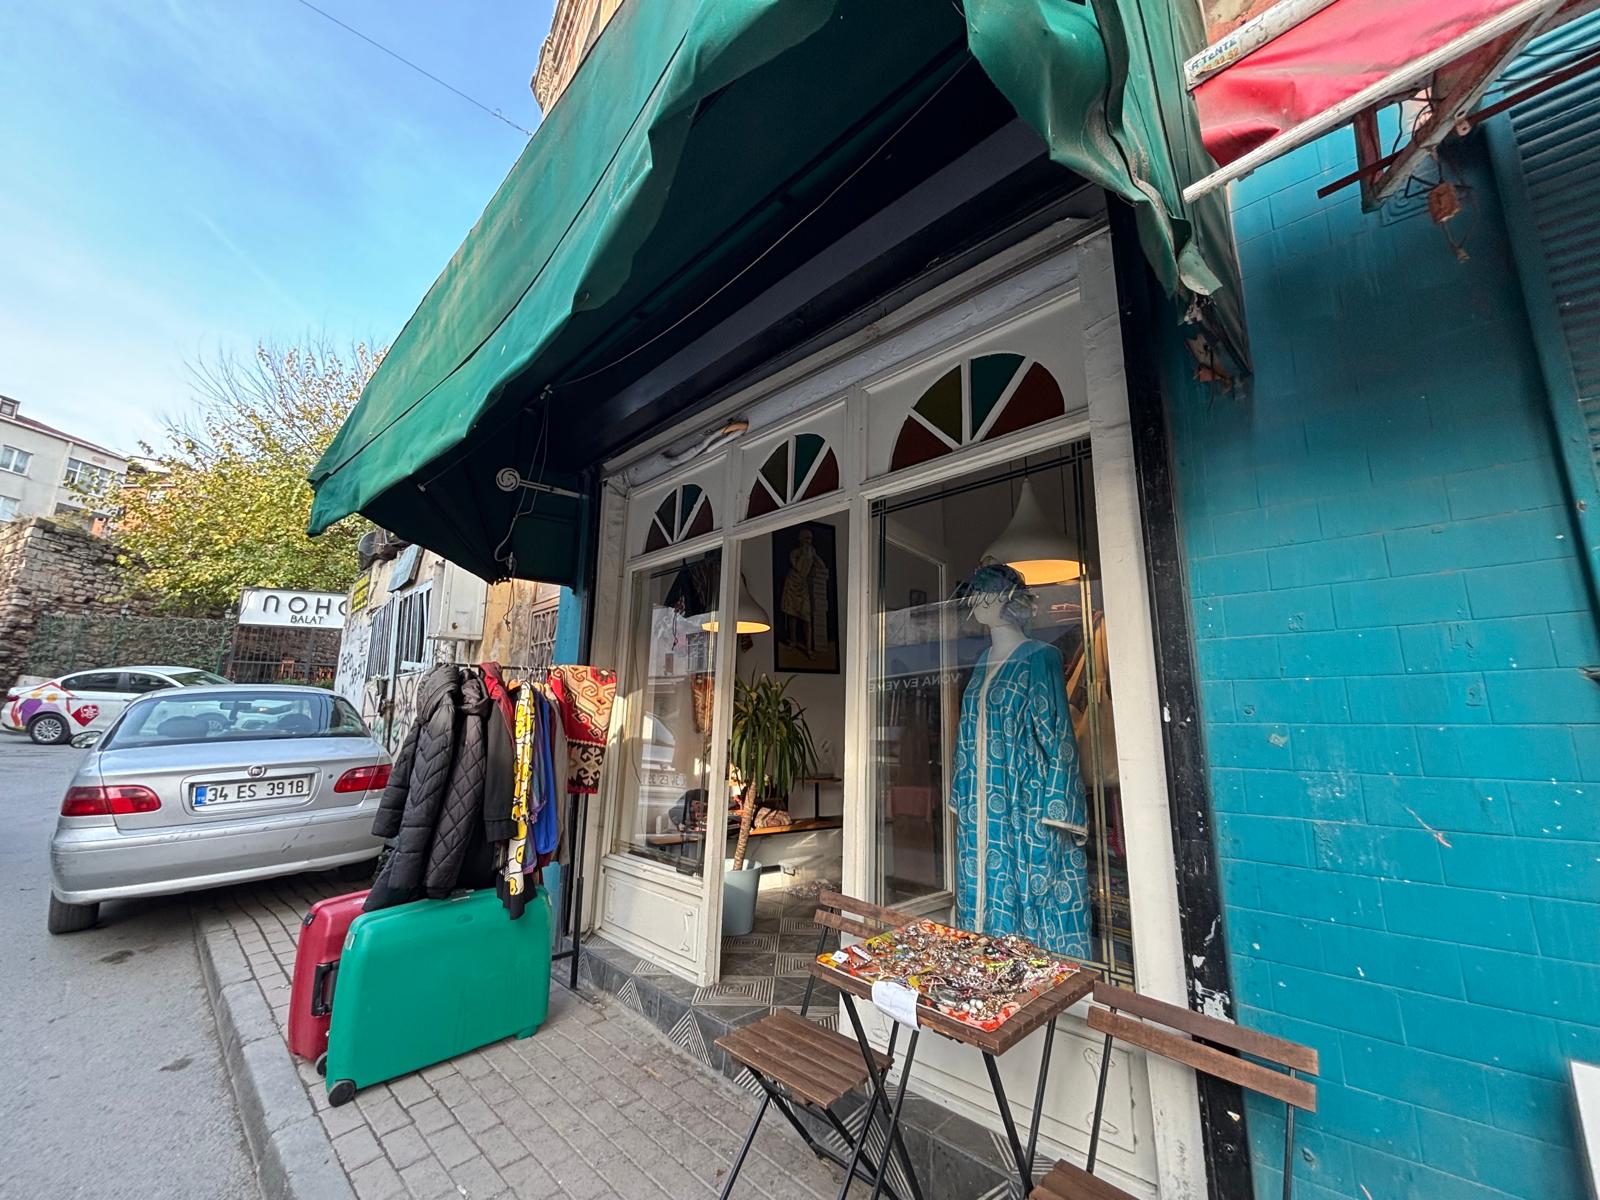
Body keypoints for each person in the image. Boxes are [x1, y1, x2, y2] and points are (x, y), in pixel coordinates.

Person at [949, 559, 1090, 958]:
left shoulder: (1039, 658)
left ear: (1006, 600)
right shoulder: (980, 663)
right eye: (975, 593)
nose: (976, 601)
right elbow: (967, 737)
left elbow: (1058, 739)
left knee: (1024, 904)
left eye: (985, 593)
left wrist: (1053, 813)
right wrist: (963, 793)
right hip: (980, 811)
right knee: (981, 903)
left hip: (1023, 808)